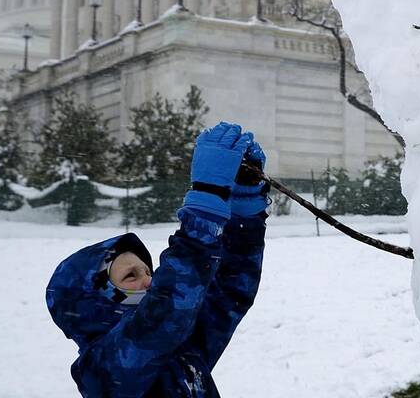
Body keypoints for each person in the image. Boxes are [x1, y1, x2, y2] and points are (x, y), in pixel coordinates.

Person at [46, 122, 269, 397]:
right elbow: (163, 313)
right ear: (97, 300)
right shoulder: (102, 371)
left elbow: (229, 291)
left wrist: (244, 216)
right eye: (131, 276)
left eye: (146, 271)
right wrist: (205, 203)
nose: (149, 280)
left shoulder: (182, 344)